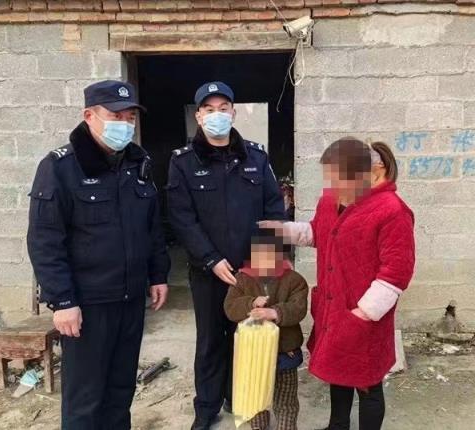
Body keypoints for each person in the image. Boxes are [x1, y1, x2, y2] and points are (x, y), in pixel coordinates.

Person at [27, 80, 171, 430]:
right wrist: (62, 301)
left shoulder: (138, 163)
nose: (125, 123)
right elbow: (45, 240)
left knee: (120, 392)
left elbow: (151, 227)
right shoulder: (60, 167)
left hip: (130, 300)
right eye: (115, 116)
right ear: (89, 116)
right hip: (87, 305)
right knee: (85, 399)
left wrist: (158, 275)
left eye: (130, 117)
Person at [260, 138, 415, 430]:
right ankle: (337, 426)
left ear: (374, 170)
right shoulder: (332, 200)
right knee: (337, 371)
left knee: (368, 384)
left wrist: (363, 313)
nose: (334, 184)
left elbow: (396, 272)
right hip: (333, 307)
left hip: (364, 315)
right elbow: (318, 232)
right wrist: (283, 231)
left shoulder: (392, 211)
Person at [166, 81, 285, 430]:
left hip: (250, 271)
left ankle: (240, 397)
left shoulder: (256, 157)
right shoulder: (183, 162)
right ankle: (206, 408)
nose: (216, 115)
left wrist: (264, 263)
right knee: (210, 341)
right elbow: (181, 217)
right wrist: (210, 258)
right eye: (209, 109)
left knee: (246, 334)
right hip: (208, 271)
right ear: (198, 116)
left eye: (223, 109)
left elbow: (274, 209)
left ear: (233, 113)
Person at [224, 228, 308, 430]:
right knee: (256, 397)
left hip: (285, 352)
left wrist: (275, 312)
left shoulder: (294, 280)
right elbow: (230, 307)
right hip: (254, 353)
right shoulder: (241, 279)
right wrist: (251, 303)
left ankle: (286, 427)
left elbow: (299, 309)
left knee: (285, 399)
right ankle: (259, 426)